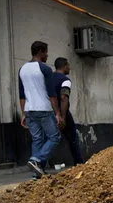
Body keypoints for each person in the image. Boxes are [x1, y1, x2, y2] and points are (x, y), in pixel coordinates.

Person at [19, 41, 63, 178]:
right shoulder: (45, 69)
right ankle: (36, 160)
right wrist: (57, 113)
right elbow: (51, 94)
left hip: (29, 110)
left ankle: (36, 174)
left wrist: (23, 114)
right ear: (40, 51)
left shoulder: (22, 69)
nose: (47, 55)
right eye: (46, 52)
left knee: (37, 140)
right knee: (55, 137)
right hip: (43, 109)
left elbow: (21, 94)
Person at [51, 57, 85, 165]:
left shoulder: (49, 78)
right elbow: (64, 97)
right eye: (68, 65)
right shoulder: (65, 80)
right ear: (64, 66)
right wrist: (63, 117)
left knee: (48, 139)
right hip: (61, 112)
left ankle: (39, 164)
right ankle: (79, 164)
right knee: (72, 138)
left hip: (47, 112)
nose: (69, 68)